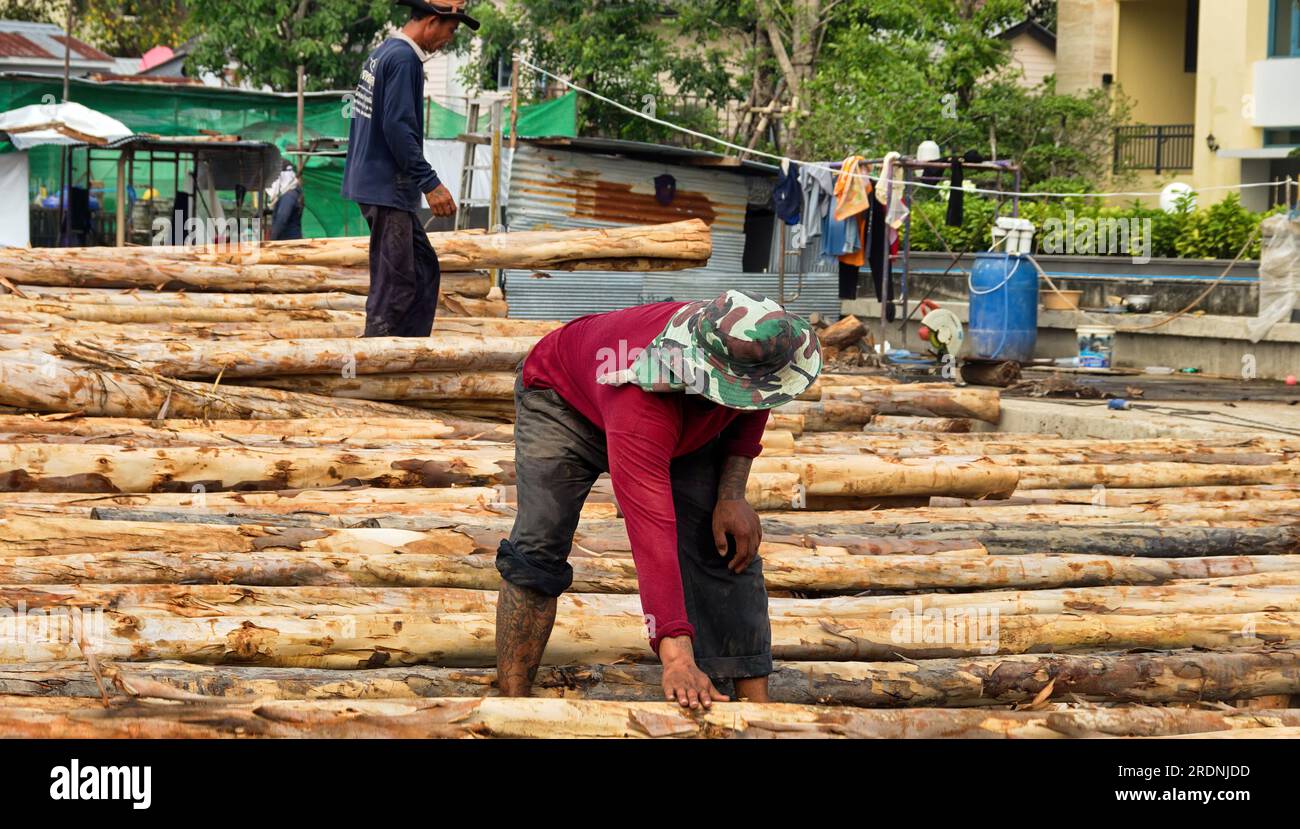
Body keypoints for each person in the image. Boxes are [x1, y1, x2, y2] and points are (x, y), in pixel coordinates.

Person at [494, 290, 823, 709]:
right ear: (704, 368)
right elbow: (652, 531)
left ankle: (757, 711)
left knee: (722, 543)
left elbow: (759, 398)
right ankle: (511, 704)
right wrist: (675, 656)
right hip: (561, 402)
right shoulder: (641, 399)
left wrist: (731, 494)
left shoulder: (749, 351)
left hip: (682, 416)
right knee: (540, 545)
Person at [341, 0, 479, 336]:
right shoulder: (404, 59)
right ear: (432, 22)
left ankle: (412, 349)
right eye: (450, 30)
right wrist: (430, 183)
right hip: (386, 186)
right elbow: (397, 128)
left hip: (378, 183)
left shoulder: (383, 53)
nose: (449, 39)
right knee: (398, 282)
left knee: (422, 268)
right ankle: (379, 355)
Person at [266, 165, 304, 241]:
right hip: (287, 240)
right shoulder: (287, 193)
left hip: (289, 242)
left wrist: (272, 240)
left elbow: (282, 218)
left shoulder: (289, 195)